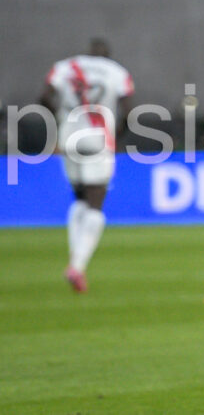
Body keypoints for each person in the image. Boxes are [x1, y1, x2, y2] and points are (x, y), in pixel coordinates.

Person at [40, 38, 133, 293]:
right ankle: (77, 266)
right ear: (108, 55)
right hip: (98, 139)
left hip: (69, 137)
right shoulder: (117, 72)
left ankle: (75, 261)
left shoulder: (65, 67)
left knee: (80, 199)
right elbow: (129, 109)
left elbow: (44, 98)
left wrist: (61, 123)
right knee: (95, 203)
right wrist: (117, 133)